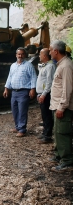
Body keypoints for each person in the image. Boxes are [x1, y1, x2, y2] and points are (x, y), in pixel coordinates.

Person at [49, 40, 73, 171]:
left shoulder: (66, 66)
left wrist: (61, 107)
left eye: (50, 49)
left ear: (56, 51)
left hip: (62, 107)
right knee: (57, 132)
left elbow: (67, 89)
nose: (49, 52)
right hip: (57, 105)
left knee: (63, 133)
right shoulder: (61, 64)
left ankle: (67, 161)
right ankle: (59, 155)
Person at [3, 47, 37, 137]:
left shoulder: (28, 65)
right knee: (15, 111)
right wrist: (6, 88)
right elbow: (9, 77)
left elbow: (33, 77)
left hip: (24, 91)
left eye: (22, 54)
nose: (20, 56)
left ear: (25, 55)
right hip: (14, 92)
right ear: (16, 55)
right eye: (19, 54)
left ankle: (22, 129)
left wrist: (33, 89)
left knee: (22, 111)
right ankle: (17, 127)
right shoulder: (13, 66)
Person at [36, 48, 56, 144]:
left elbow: (49, 82)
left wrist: (43, 94)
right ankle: (45, 133)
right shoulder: (45, 66)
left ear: (44, 56)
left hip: (46, 95)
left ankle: (47, 135)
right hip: (42, 94)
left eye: (40, 54)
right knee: (44, 115)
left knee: (47, 115)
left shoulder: (50, 66)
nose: (39, 56)